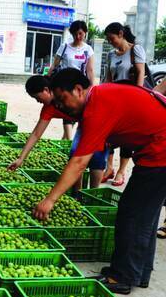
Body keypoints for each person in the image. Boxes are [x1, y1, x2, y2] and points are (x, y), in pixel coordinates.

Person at [32, 68, 166, 295]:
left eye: (63, 99)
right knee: (145, 217)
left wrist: (50, 200)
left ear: (78, 90)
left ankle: (122, 277)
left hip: (160, 153)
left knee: (132, 214)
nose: (62, 106)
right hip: (156, 150)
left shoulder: (98, 106)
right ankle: (138, 272)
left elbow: (79, 163)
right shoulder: (99, 97)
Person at [8, 75, 107, 188]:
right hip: (84, 124)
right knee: (75, 155)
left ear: (46, 89)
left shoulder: (66, 96)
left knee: (97, 158)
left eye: (37, 97)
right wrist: (21, 158)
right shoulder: (49, 108)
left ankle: (94, 191)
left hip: (98, 121)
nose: (38, 101)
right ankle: (77, 193)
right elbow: (36, 133)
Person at [101, 22, 147, 187]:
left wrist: (139, 97)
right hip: (115, 99)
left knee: (127, 137)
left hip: (132, 98)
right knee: (110, 134)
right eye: (108, 40)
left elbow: (141, 72)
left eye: (112, 38)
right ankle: (109, 168)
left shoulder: (136, 50)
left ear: (120, 34)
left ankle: (121, 172)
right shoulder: (111, 55)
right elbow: (108, 78)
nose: (110, 42)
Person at [48, 20, 96, 141]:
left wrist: (92, 88)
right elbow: (54, 65)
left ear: (85, 33)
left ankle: (64, 143)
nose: (78, 37)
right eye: (75, 34)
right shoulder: (64, 47)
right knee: (68, 112)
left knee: (75, 117)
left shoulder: (88, 49)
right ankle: (69, 143)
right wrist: (48, 81)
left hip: (79, 86)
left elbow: (90, 70)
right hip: (65, 85)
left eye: (80, 33)